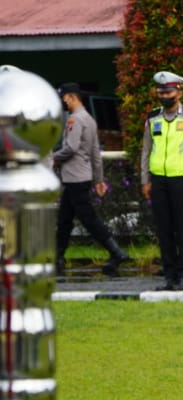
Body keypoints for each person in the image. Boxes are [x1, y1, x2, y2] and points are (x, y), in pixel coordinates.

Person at [52, 82, 130, 277]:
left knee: (88, 218)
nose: (62, 101)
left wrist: (52, 158)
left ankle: (116, 252)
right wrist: (99, 179)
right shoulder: (89, 119)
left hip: (75, 177)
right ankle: (58, 259)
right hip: (81, 176)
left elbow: (70, 148)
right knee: (64, 220)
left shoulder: (74, 120)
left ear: (70, 97)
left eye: (63, 97)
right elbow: (96, 152)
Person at [140, 71, 183, 291]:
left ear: (179, 92)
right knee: (164, 229)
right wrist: (145, 180)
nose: (164, 95)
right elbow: (146, 151)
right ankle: (169, 276)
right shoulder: (153, 118)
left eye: (168, 91)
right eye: (161, 92)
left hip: (182, 180)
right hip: (159, 180)